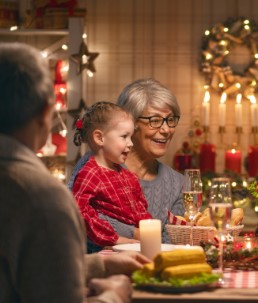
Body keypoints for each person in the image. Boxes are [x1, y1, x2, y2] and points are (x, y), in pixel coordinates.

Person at [0, 42, 151, 302]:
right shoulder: (41, 197)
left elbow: (30, 269)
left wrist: (99, 266)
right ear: (46, 112)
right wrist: (114, 296)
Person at [69, 78, 184, 243]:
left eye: (170, 120)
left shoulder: (178, 184)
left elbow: (170, 244)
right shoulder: (94, 164)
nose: (166, 130)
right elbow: (75, 216)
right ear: (131, 123)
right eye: (155, 120)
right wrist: (138, 234)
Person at [72, 101, 152, 251]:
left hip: (135, 245)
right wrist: (114, 238)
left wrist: (149, 231)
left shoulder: (127, 176)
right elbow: (79, 212)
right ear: (100, 138)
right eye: (124, 137)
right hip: (105, 248)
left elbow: (141, 209)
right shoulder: (90, 173)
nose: (131, 144)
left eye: (131, 137)